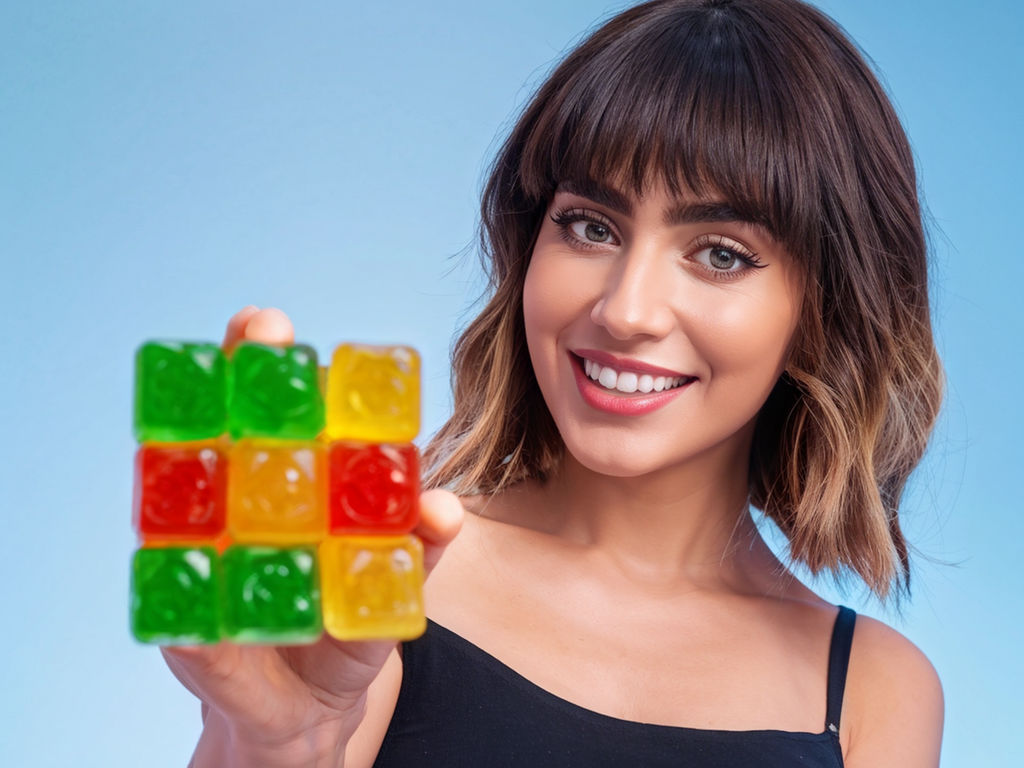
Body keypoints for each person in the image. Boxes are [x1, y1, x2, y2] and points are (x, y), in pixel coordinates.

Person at [162, 0, 945, 765]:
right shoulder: (392, 579)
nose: (627, 309)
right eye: (590, 227)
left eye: (721, 254)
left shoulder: (875, 693)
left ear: (824, 308)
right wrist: (277, 745)